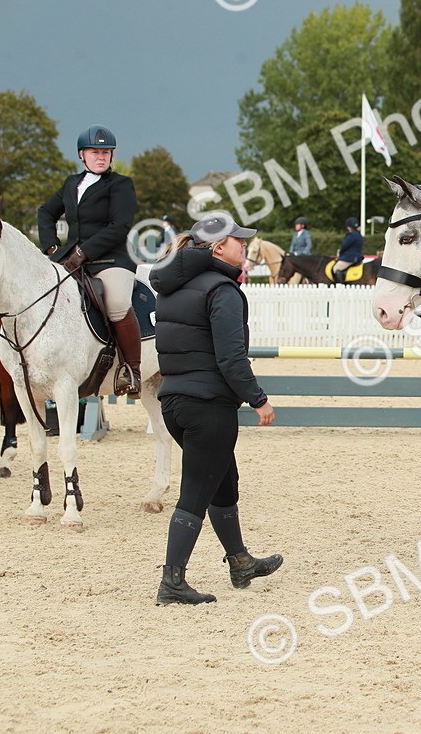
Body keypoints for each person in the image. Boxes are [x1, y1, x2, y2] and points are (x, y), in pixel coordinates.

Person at [150, 210, 280, 605]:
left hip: (175, 401)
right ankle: (172, 582)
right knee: (194, 493)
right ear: (218, 246)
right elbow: (231, 357)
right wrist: (258, 398)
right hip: (208, 405)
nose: (245, 245)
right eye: (238, 240)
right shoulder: (222, 290)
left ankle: (239, 560)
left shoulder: (174, 285)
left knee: (223, 482)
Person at [38, 125, 142, 397]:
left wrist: (83, 253)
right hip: (72, 257)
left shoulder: (121, 184)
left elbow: (120, 225)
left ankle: (131, 370)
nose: (101, 157)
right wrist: (51, 246)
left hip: (112, 259)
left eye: (106, 152)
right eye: (95, 152)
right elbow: (46, 212)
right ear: (82, 154)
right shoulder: (71, 184)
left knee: (118, 302)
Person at [332, 216, 364, 284]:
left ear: (348, 227)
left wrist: (340, 254)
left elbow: (344, 247)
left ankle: (341, 285)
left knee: (336, 269)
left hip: (350, 258)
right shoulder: (359, 235)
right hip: (358, 257)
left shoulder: (351, 235)